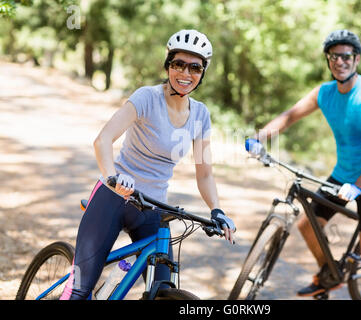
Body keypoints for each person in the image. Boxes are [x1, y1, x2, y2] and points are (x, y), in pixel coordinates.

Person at [60, 29, 236, 300]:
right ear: (168, 65)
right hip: (113, 197)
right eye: (179, 64)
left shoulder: (200, 114)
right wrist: (112, 178)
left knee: (163, 292)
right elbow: (103, 140)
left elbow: (204, 173)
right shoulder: (146, 98)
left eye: (195, 68)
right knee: (80, 290)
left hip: (153, 208)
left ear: (203, 73)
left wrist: (217, 210)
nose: (185, 74)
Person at [252, 30, 361, 300]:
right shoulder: (325, 93)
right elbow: (290, 116)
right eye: (333, 57)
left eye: (346, 56)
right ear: (328, 60)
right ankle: (329, 274)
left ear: (357, 59)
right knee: (308, 225)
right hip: (342, 174)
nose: (339, 61)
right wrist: (258, 138)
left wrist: (358, 186)